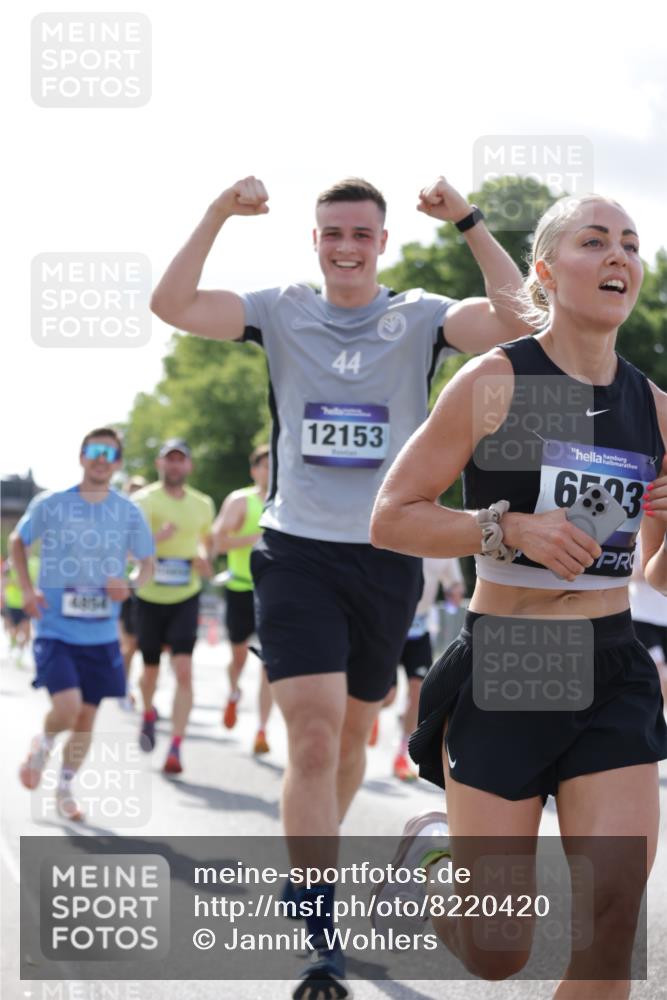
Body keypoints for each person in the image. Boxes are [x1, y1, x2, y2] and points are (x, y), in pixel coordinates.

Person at [150, 173, 529, 997]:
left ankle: (309, 864)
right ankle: (319, 925)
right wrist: (216, 212)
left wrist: (467, 221)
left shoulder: (420, 317)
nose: (346, 247)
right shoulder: (281, 310)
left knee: (355, 734)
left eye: (360, 234)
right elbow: (171, 304)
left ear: (382, 242)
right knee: (315, 739)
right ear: (314, 241)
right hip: (295, 552)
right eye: (332, 233)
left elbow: (521, 318)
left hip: (387, 552)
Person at [370, 194, 667, 998]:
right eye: (593, 241)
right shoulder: (497, 378)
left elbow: (653, 572)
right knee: (496, 951)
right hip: (514, 661)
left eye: (629, 243)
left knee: (611, 928)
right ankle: (434, 860)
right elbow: (391, 518)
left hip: (612, 666)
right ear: (545, 269)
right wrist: (506, 529)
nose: (618, 256)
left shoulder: (652, 408)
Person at [12, 428, 153, 821]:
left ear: (118, 463)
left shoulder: (128, 512)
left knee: (87, 718)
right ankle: (43, 745)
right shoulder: (52, 504)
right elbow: (18, 541)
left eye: (109, 453)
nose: (101, 458)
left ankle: (65, 788)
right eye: (94, 450)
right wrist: (27, 590)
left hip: (102, 635)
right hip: (56, 628)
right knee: (68, 707)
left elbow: (147, 564)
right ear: (81, 457)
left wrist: (129, 585)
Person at [133, 439, 215, 774]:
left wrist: (205, 558)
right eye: (170, 459)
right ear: (160, 464)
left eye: (181, 460)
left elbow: (207, 541)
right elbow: (129, 548)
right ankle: (148, 712)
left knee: (183, 670)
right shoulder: (143, 500)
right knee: (150, 671)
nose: (175, 465)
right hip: (149, 596)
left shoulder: (203, 504)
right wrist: (158, 539)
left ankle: (176, 747)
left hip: (185, 595)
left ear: (189, 466)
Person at [213, 444, 273, 754]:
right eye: (264, 465)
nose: (270, 470)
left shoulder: (287, 504)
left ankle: (262, 730)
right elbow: (219, 542)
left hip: (273, 592)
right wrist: (255, 539)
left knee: (269, 663)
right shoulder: (241, 501)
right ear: (254, 470)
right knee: (239, 657)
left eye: (274, 463)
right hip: (240, 588)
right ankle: (234, 692)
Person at [389, 557, 464, 781]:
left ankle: (401, 755)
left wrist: (454, 592)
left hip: (419, 629)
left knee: (418, 691)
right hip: (389, 623)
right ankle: (370, 710)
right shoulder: (400, 539)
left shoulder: (443, 548)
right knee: (386, 696)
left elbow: (455, 583)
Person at [117, 474, 148, 709]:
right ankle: (124, 687)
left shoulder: (146, 521)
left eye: (141, 490)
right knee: (128, 642)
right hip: (122, 588)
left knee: (138, 644)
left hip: (144, 589)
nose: (136, 495)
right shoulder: (119, 519)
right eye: (133, 490)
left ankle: (135, 686)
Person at [631, 532, 667, 701]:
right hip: (642, 617)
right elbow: (626, 573)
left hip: (664, 618)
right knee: (656, 674)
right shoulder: (636, 534)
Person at [2, 553, 40, 666]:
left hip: (26, 603)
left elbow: (37, 581)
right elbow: (3, 581)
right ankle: (14, 646)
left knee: (27, 633)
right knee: (14, 631)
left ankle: (20, 653)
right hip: (11, 602)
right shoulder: (9, 563)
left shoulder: (35, 563)